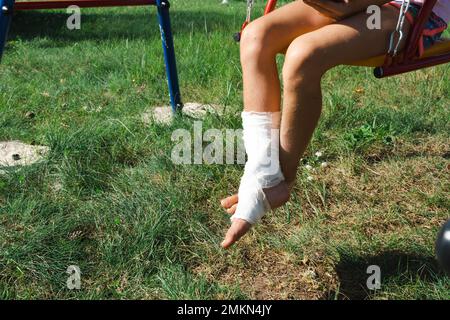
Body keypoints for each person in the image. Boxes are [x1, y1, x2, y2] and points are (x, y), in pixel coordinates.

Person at [220, 0, 449, 249]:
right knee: (256, 36)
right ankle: (263, 170)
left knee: (304, 54)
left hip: (410, 9)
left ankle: (274, 181)